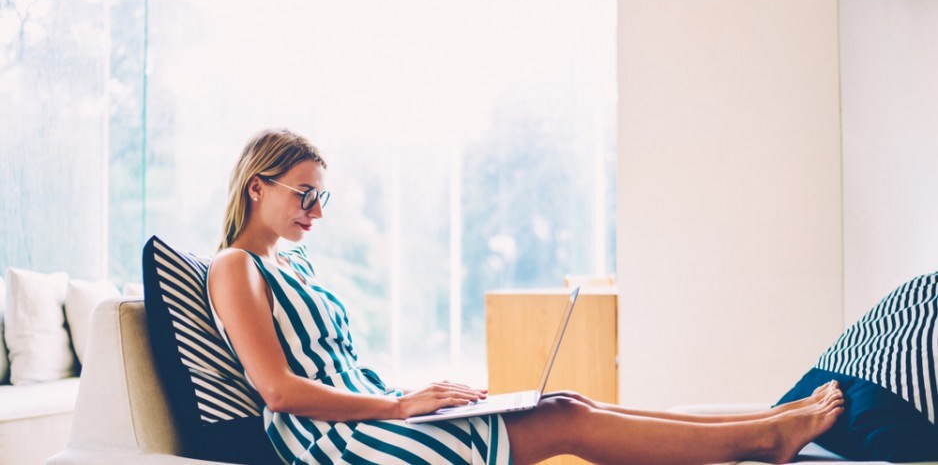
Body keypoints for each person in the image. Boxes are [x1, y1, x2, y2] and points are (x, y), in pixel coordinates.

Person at [207, 128, 845, 465]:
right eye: (304, 193)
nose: (317, 210)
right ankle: (763, 439)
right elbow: (280, 391)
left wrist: (412, 399)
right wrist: (401, 409)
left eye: (323, 196)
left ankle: (763, 423)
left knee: (565, 400)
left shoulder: (293, 263)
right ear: (257, 188)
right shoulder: (235, 267)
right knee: (560, 421)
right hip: (338, 446)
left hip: (369, 417)